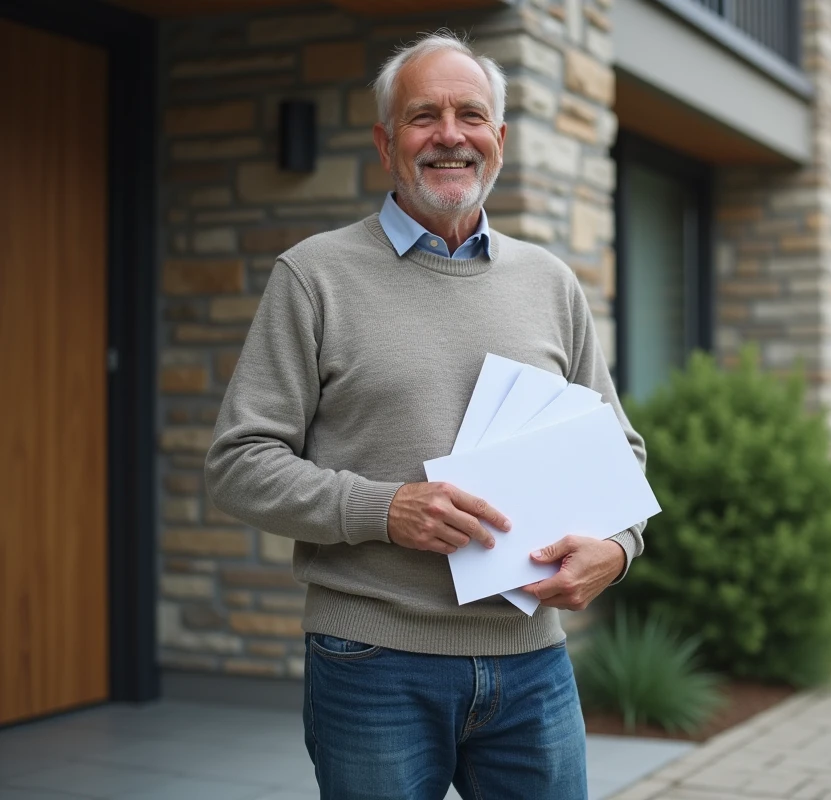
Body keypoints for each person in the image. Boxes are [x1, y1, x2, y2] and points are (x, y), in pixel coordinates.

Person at [204, 31, 647, 800]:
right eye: (424, 116)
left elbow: (620, 450)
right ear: (385, 143)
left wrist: (620, 545)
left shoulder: (550, 282)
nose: (450, 135)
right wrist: (384, 510)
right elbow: (238, 464)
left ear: (499, 141)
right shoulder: (314, 277)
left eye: (470, 114)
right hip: (372, 661)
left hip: (533, 663)